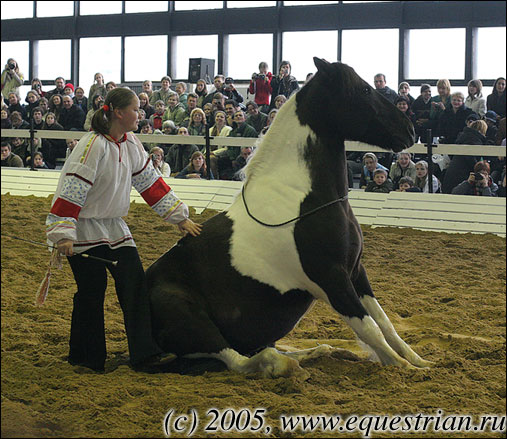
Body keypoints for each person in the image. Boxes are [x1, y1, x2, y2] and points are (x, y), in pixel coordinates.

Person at [45, 87, 201, 373]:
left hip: (114, 226)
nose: (139, 115)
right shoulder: (92, 146)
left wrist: (179, 218)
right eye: (135, 110)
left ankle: (145, 354)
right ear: (118, 112)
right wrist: (63, 233)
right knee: (91, 293)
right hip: (82, 229)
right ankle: (86, 359)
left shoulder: (131, 143)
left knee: (135, 284)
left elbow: (150, 182)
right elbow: (72, 188)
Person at [441, 120, 488, 194]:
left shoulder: (464, 138)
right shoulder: (474, 141)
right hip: (462, 176)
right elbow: (471, 161)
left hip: (452, 175)